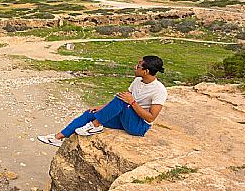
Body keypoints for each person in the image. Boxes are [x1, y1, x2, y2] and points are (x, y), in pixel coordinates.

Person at [38, 55, 167, 147]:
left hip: (138, 126)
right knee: (90, 113)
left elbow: (150, 118)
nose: (135, 67)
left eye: (138, 66)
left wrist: (132, 102)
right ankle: (58, 137)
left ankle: (95, 125)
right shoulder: (138, 81)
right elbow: (123, 99)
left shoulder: (159, 90)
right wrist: (103, 108)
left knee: (124, 100)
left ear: (146, 71)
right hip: (125, 119)